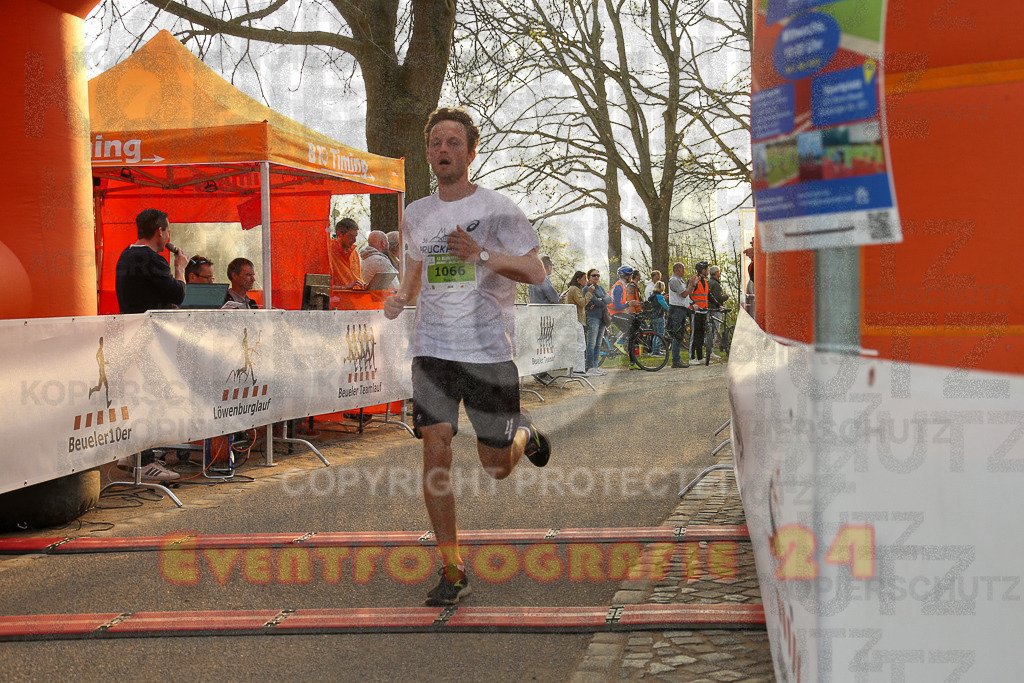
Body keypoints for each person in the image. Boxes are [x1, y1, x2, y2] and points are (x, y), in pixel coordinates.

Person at [382, 107, 551, 607]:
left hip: (487, 352)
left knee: (496, 465)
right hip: (433, 349)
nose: (443, 151)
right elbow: (414, 276)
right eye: (436, 142)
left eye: (454, 142)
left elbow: (537, 272)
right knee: (435, 447)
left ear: (471, 152)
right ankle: (452, 568)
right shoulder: (416, 213)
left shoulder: (500, 209)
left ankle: (526, 433)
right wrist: (399, 299)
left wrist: (480, 254)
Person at [114, 208, 187, 482]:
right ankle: (144, 461)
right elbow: (177, 291)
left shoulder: (126, 254)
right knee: (153, 398)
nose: (169, 234)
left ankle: (132, 454)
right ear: (161, 232)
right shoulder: (151, 259)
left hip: (131, 335)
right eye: (168, 230)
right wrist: (179, 268)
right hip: (149, 340)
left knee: (140, 396)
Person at [528, 254, 560, 384]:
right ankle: (541, 372)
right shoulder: (544, 278)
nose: (552, 268)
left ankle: (539, 371)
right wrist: (558, 299)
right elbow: (553, 298)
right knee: (545, 344)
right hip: (544, 316)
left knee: (539, 344)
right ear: (548, 266)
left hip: (535, 314)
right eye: (552, 266)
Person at [582, 268, 610, 375]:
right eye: (594, 275)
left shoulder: (601, 288)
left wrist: (601, 300)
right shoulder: (586, 289)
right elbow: (595, 301)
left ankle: (595, 366)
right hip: (592, 317)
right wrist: (602, 300)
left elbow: (609, 300)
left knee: (598, 344)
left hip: (602, 317)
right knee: (591, 343)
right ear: (589, 277)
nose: (596, 277)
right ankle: (590, 367)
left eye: (598, 275)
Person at [667, 262, 694, 369]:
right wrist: (691, 284)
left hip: (682, 309)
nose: (684, 271)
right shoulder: (674, 281)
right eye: (683, 269)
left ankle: (677, 359)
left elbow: (688, 294)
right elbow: (683, 294)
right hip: (677, 310)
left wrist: (692, 285)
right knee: (677, 334)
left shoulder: (680, 280)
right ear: (678, 269)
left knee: (680, 333)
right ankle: (676, 360)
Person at [564, 271, 592, 375]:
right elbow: (582, 302)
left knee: (575, 344)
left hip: (573, 319)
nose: (586, 280)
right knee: (580, 345)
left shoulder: (573, 289)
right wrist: (589, 293)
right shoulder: (575, 289)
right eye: (584, 278)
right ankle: (578, 369)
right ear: (578, 279)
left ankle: (572, 370)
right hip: (576, 320)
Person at [329, 218, 363, 289]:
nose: (354, 240)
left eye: (355, 236)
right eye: (351, 236)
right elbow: (321, 285)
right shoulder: (328, 251)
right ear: (339, 234)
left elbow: (358, 279)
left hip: (356, 297)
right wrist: (343, 288)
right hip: (338, 298)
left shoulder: (354, 252)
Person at [688, 261, 710, 365]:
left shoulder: (705, 281)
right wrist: (693, 304)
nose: (708, 271)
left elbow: (708, 295)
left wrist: (719, 304)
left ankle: (700, 357)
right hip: (695, 312)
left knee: (701, 334)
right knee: (694, 335)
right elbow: (688, 294)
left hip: (703, 311)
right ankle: (691, 357)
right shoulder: (694, 280)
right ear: (703, 270)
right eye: (707, 269)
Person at [707, 265, 731, 360]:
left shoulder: (709, 282)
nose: (720, 273)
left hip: (709, 309)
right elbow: (718, 298)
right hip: (716, 309)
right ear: (716, 273)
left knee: (710, 331)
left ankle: (708, 350)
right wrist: (727, 296)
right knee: (714, 330)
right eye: (719, 272)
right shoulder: (716, 284)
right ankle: (710, 351)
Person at [648, 281, 669, 355]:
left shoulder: (653, 296)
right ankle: (656, 351)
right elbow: (665, 306)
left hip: (653, 317)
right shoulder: (659, 296)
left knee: (655, 334)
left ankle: (654, 350)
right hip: (659, 317)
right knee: (660, 334)